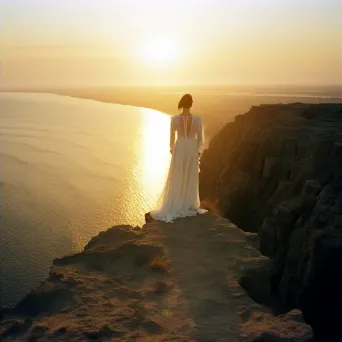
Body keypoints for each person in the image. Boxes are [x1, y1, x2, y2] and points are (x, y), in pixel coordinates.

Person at [146, 94, 207, 223]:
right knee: (189, 174)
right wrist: (198, 151)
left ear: (181, 104)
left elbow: (171, 139)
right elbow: (201, 138)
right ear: (191, 104)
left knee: (177, 174)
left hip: (180, 147)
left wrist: (172, 150)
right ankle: (188, 202)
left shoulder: (174, 119)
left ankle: (176, 202)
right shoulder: (197, 119)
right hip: (191, 147)